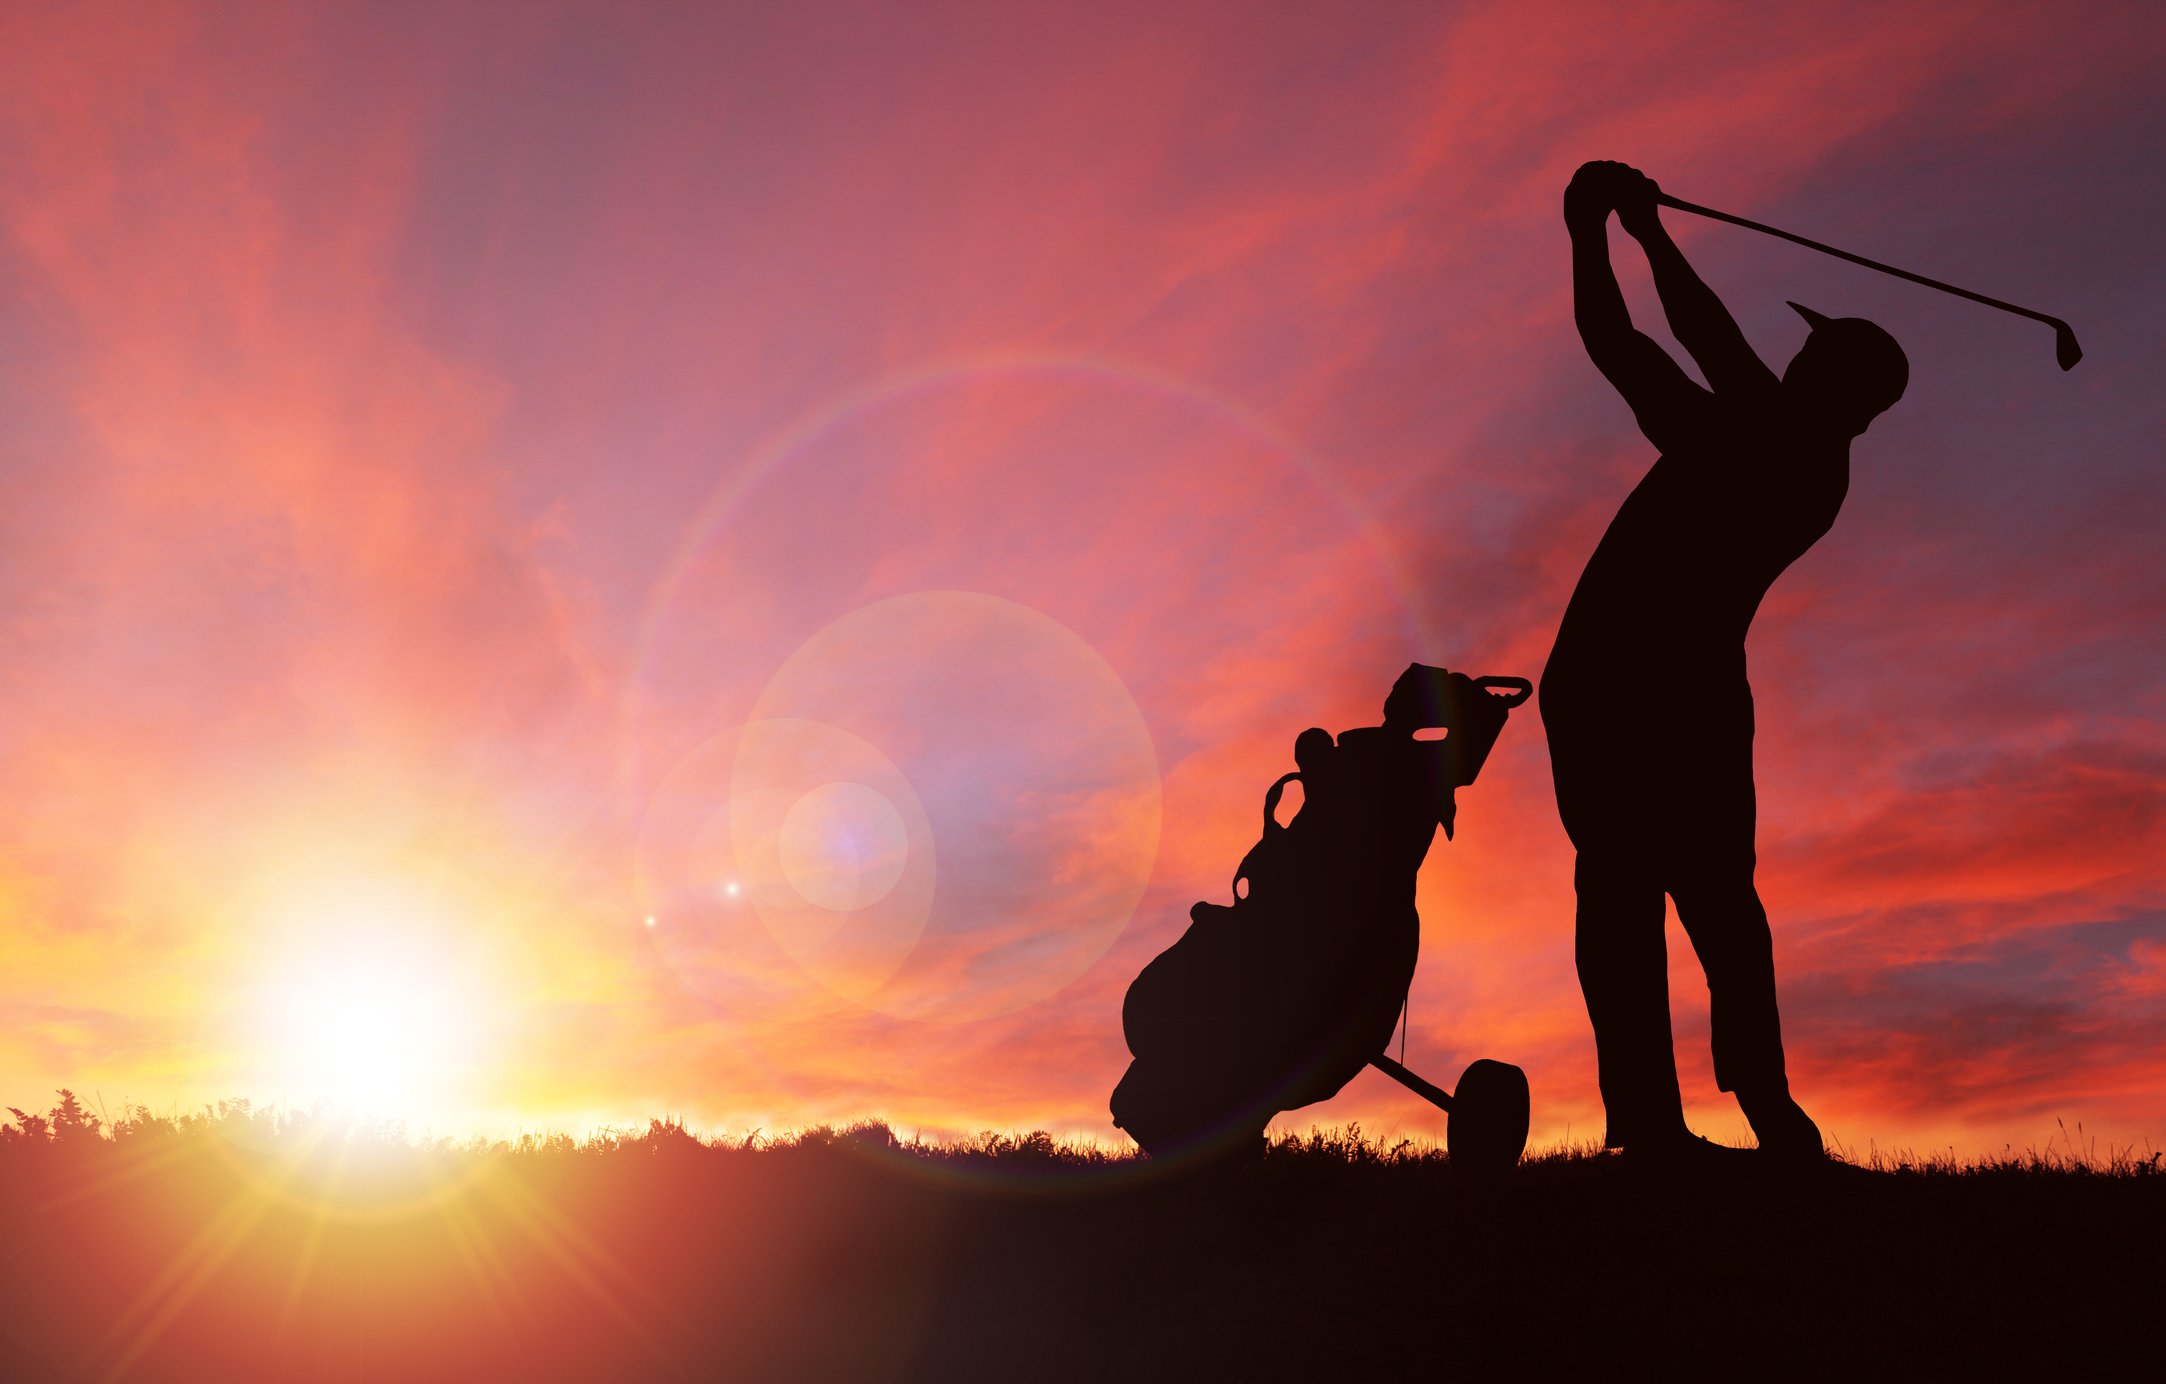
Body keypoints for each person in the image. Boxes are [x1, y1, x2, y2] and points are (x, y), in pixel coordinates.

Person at [1542, 160, 1908, 1161]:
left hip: (1625, 685)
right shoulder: (1791, 440)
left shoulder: (1770, 448)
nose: (1789, 364)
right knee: (1704, 901)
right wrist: (1646, 233)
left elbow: (1634, 343)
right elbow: (1708, 337)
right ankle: (1713, 1118)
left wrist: (1595, 230)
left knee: (1645, 894)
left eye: (1810, 360)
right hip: (1676, 688)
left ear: (1833, 391)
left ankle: (1694, 1119)